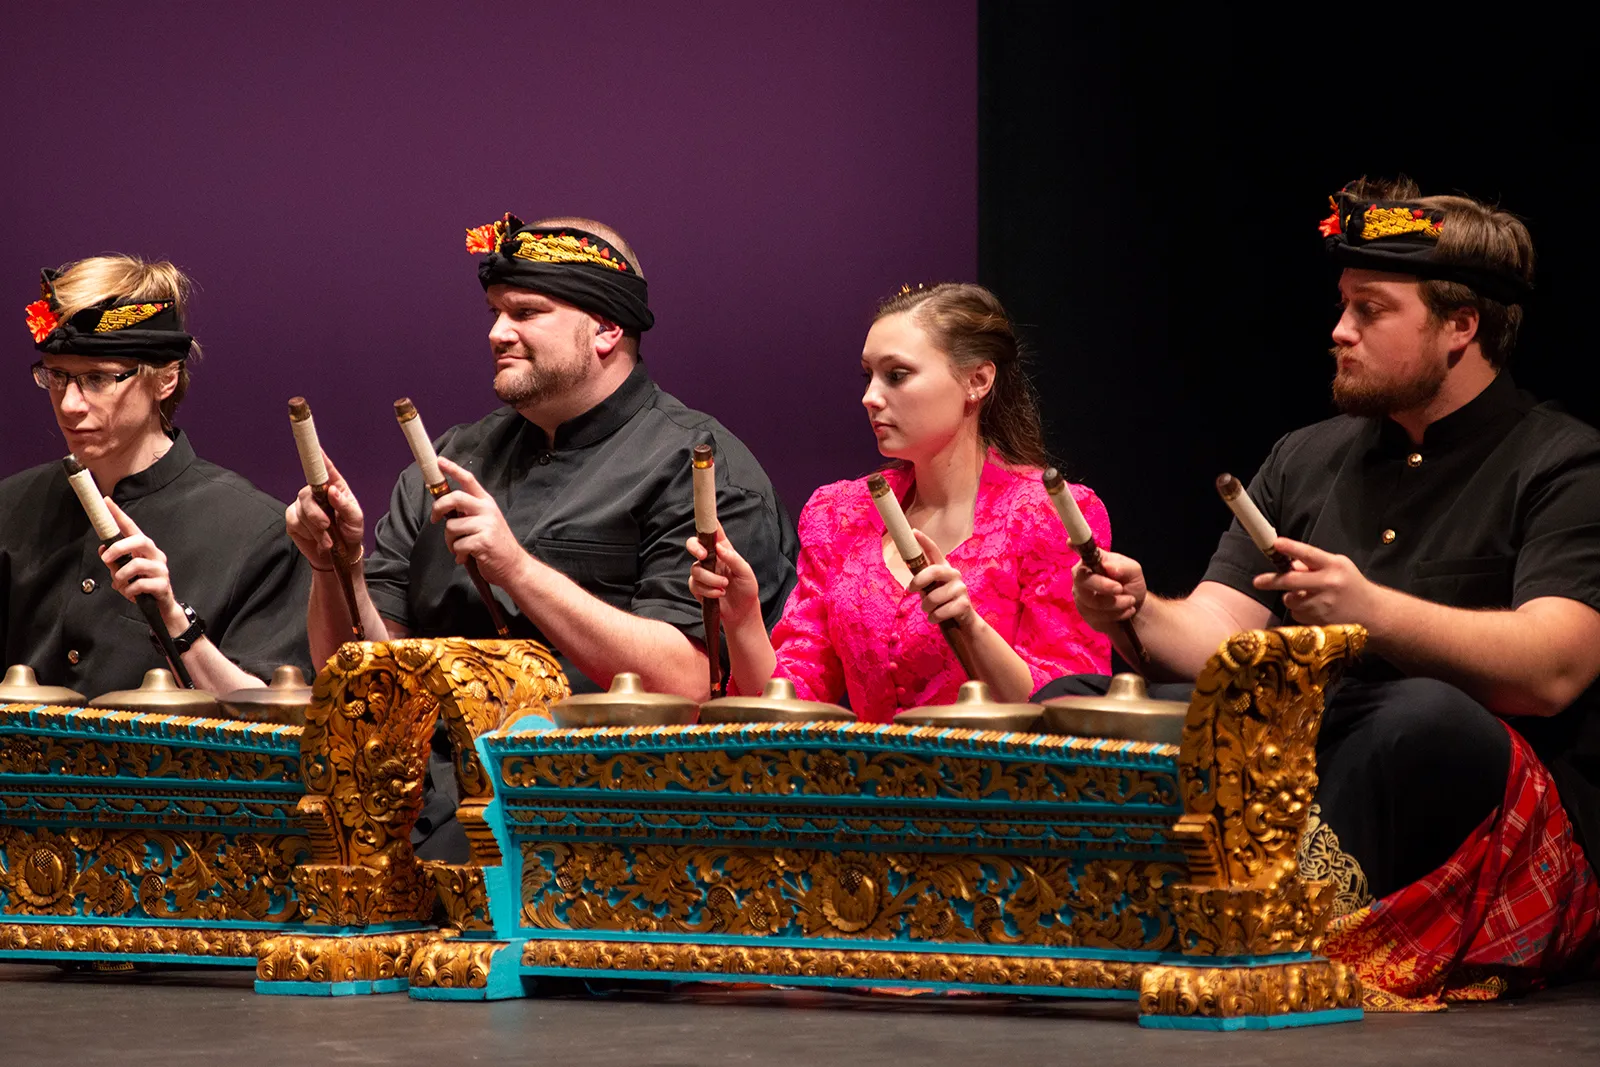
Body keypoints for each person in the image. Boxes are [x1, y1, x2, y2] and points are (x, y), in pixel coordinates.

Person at [1045, 178, 1600, 1006]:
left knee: (1422, 716)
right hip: (1316, 740)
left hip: (1478, 788)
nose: (1339, 330)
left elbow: (1553, 669)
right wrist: (1139, 609)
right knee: (1084, 701)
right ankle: (1079, 925)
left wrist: (1368, 610)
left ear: (1461, 326)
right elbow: (1219, 633)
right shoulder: (1307, 455)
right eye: (1343, 305)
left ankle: (1282, 942)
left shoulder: (1562, 461)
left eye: (1370, 310)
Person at [286, 214, 797, 858]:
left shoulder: (696, 466)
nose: (497, 332)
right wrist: (339, 567)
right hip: (416, 801)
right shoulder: (450, 458)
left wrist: (518, 570)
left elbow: (688, 683)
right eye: (495, 312)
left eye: (526, 312)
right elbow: (359, 674)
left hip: (587, 815)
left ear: (607, 329)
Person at [688, 283, 1111, 723]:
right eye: (867, 376)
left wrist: (971, 628)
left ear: (977, 381)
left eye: (896, 375)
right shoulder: (841, 514)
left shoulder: (1046, 515)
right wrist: (743, 619)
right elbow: (789, 706)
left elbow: (1070, 709)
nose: (870, 397)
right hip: (867, 767)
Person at [1, 256, 312, 697]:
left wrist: (173, 619)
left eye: (96, 378)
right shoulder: (10, 508)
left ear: (166, 378)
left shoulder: (259, 534)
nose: (69, 404)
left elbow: (270, 716)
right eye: (57, 375)